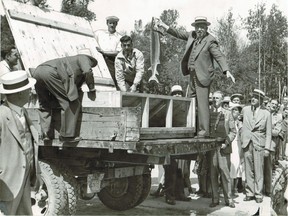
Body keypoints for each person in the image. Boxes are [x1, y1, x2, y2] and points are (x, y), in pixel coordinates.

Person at [155, 16, 235, 138]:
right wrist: (163, 25)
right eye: (197, 27)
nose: (199, 29)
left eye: (202, 27)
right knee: (190, 102)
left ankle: (204, 132)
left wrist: (226, 70)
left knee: (202, 105)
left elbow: (219, 56)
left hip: (203, 76)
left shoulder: (210, 40)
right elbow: (177, 33)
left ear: (206, 28)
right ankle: (190, 128)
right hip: (192, 75)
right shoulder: (192, 35)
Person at [32, 48, 97, 142]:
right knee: (70, 102)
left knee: (44, 104)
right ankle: (67, 136)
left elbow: (73, 81)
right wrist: (92, 88)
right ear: (90, 59)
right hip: (51, 73)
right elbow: (87, 71)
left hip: (37, 71)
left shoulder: (69, 62)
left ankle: (45, 134)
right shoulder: (84, 58)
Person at [0, 70, 41, 215]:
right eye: (28, 89)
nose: (31, 92)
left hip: (24, 179)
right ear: (20, 93)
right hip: (7, 183)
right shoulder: (1, 115)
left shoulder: (23, 112)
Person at [241, 89, 272, 203]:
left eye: (256, 97)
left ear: (261, 100)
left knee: (259, 169)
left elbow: (269, 132)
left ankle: (258, 193)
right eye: (252, 96)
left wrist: (267, 148)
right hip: (246, 143)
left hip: (259, 144)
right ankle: (249, 192)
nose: (252, 99)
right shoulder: (245, 110)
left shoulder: (266, 114)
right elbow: (239, 121)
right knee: (248, 168)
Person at [208, 97, 236, 208]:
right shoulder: (210, 112)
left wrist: (227, 142)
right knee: (213, 174)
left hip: (224, 148)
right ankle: (215, 199)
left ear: (221, 100)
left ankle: (229, 199)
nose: (215, 100)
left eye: (217, 98)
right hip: (212, 149)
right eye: (213, 98)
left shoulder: (228, 114)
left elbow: (233, 131)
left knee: (225, 174)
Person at [94, 16, 122, 88]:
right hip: (98, 59)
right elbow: (92, 41)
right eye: (110, 23)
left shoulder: (119, 37)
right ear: (107, 23)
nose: (112, 25)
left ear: (116, 24)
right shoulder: (99, 33)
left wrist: (104, 53)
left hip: (111, 61)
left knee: (112, 79)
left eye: (114, 23)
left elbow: (118, 52)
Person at [229, 103, 244, 196]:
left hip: (237, 146)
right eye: (234, 110)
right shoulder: (229, 122)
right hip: (231, 145)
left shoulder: (239, 123)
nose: (236, 112)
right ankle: (230, 190)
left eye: (238, 110)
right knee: (232, 167)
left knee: (237, 166)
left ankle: (234, 188)